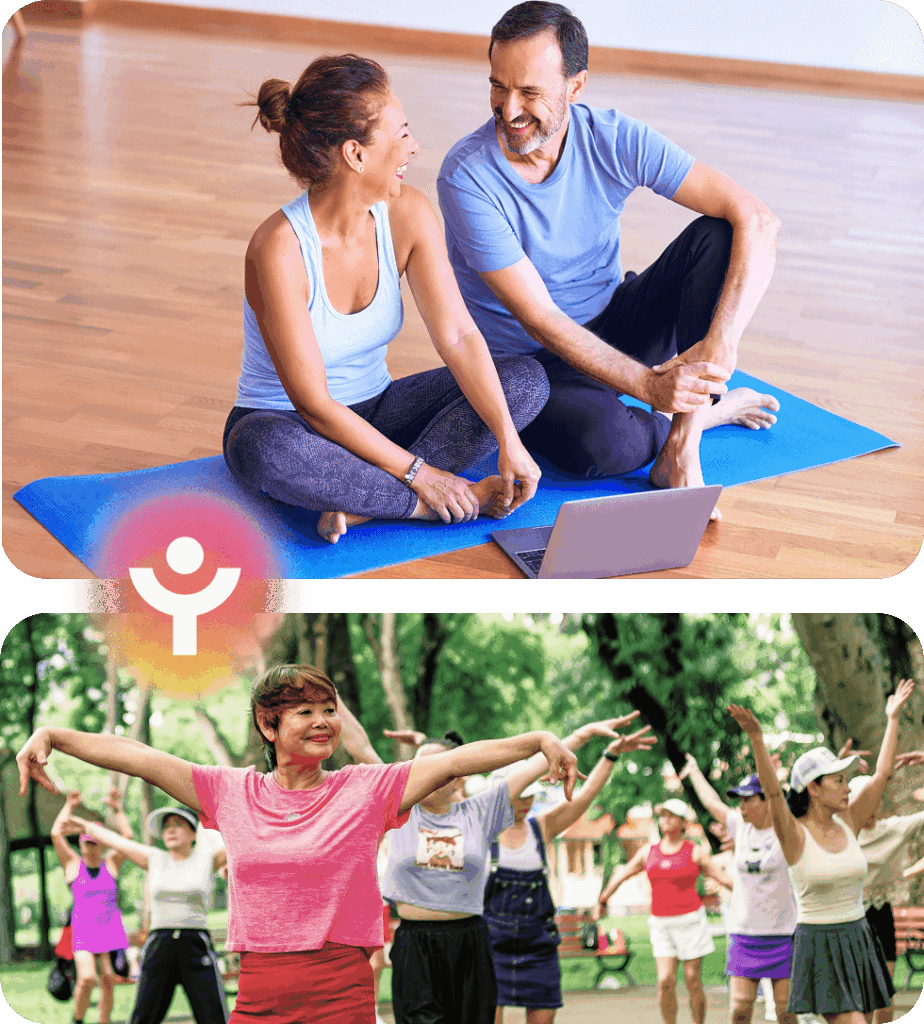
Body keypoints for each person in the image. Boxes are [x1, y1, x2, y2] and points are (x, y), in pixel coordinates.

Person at [17, 664, 581, 1024]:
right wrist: (55, 736)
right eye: (305, 711)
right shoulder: (228, 791)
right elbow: (139, 757)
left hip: (341, 988)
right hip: (260, 988)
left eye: (329, 709)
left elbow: (457, 760)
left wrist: (536, 742)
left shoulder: (367, 789)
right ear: (269, 727)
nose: (324, 721)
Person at [437, 1, 781, 520]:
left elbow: (757, 219)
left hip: (616, 321)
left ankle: (682, 448)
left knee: (719, 234)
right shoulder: (466, 177)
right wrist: (648, 386)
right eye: (497, 87)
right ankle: (710, 414)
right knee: (601, 446)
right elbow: (541, 319)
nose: (509, 110)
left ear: (575, 88)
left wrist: (721, 345)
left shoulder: (614, 137)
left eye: (530, 92)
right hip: (535, 368)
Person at [225, 54, 549, 544]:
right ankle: (422, 505)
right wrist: (423, 476)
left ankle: (362, 506)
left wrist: (508, 439)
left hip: (378, 411)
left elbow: (459, 335)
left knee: (525, 381)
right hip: (289, 424)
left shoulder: (409, 215)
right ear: (355, 154)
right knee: (260, 452)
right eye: (400, 135)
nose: (413, 147)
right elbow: (313, 405)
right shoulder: (279, 248)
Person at [368, 714, 638, 1024]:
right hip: (416, 943)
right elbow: (359, 746)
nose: (425, 776)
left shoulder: (481, 812)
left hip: (471, 940)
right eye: (420, 769)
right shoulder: (396, 807)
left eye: (438, 768)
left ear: (457, 777)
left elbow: (535, 765)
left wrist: (581, 735)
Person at [727, 677, 916, 1024]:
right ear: (813, 788)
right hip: (820, 942)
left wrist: (892, 717)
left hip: (857, 935)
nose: (847, 788)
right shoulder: (794, 834)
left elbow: (883, 773)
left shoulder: (850, 819)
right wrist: (756, 738)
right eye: (838, 781)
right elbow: (771, 793)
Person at [487, 725, 657, 1024]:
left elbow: (587, 794)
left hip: (538, 943)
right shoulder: (481, 832)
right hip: (491, 945)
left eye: (530, 796)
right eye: (519, 796)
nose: (526, 802)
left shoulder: (542, 827)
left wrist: (611, 755)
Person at [60, 804, 230, 1024]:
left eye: (178, 824)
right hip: (160, 946)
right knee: (143, 1017)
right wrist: (86, 826)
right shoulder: (154, 858)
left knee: (214, 1017)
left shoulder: (208, 858)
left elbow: (242, 839)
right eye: (166, 826)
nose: (170, 830)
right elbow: (118, 842)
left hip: (196, 944)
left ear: (193, 832)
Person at [681, 755, 797, 1024]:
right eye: (739, 800)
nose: (741, 806)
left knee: (785, 1010)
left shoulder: (786, 829)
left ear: (767, 800)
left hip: (783, 934)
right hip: (745, 934)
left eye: (748, 799)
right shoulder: (740, 826)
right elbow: (711, 803)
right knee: (740, 1009)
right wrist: (695, 771)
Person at [596, 798, 733, 1024]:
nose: (665, 820)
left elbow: (723, 878)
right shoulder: (648, 852)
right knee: (665, 980)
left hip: (691, 921)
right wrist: (603, 899)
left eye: (671, 816)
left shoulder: (695, 852)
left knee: (692, 979)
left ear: (683, 822)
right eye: (662, 816)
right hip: (661, 922)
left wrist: (754, 892)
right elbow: (622, 874)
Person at [847, 759, 924, 1024]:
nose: (872, 806)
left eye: (876, 799)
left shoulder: (893, 829)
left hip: (880, 913)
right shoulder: (841, 833)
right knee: (862, 998)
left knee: (885, 995)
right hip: (850, 916)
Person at [50, 788, 132, 1024]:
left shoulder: (112, 863)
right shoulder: (73, 865)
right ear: (82, 844)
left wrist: (116, 809)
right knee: (86, 978)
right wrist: (70, 805)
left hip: (109, 929)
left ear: (102, 845)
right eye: (87, 843)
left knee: (108, 979)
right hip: (83, 931)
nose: (91, 848)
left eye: (96, 843)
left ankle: (103, 1022)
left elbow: (127, 838)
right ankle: (77, 1019)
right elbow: (57, 833)